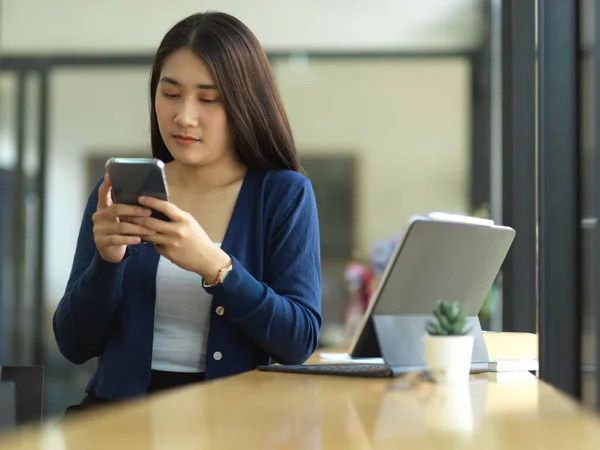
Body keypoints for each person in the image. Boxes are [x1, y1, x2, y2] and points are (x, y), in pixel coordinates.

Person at [54, 11, 322, 414]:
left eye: (208, 99)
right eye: (171, 93)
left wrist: (217, 268)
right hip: (118, 421)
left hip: (233, 423)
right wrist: (108, 264)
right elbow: (73, 345)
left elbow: (298, 342)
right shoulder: (118, 193)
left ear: (244, 103)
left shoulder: (283, 194)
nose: (184, 116)